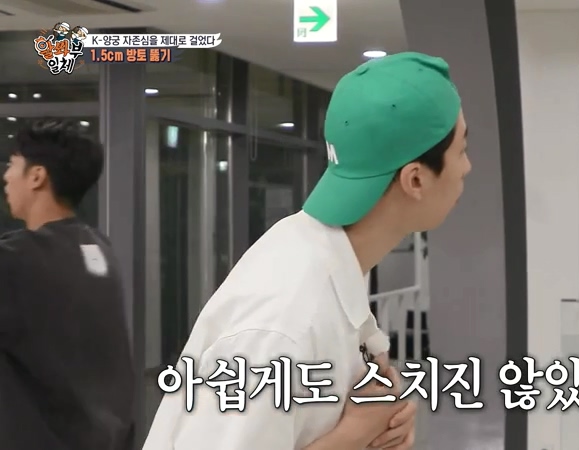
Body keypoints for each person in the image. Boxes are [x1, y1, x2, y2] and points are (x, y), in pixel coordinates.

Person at [143, 51, 470, 450]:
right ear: (415, 179)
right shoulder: (284, 321)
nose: (467, 167)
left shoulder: (323, 256)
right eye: (461, 150)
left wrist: (384, 418)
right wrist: (356, 433)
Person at [0, 120, 135, 449]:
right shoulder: (98, 249)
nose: (6, 177)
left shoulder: (16, 260)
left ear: (37, 176)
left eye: (12, 165)